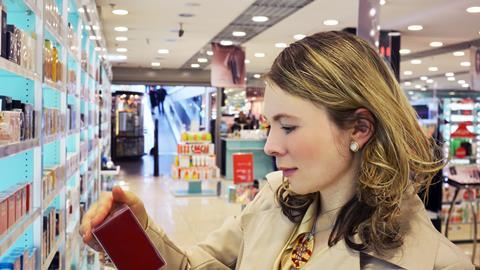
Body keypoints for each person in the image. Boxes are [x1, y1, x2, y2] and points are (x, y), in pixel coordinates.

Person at [79, 31, 473, 269]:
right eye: (270, 125)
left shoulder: (431, 261)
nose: (270, 145)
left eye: (288, 126)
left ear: (360, 128)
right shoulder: (274, 202)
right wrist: (136, 238)